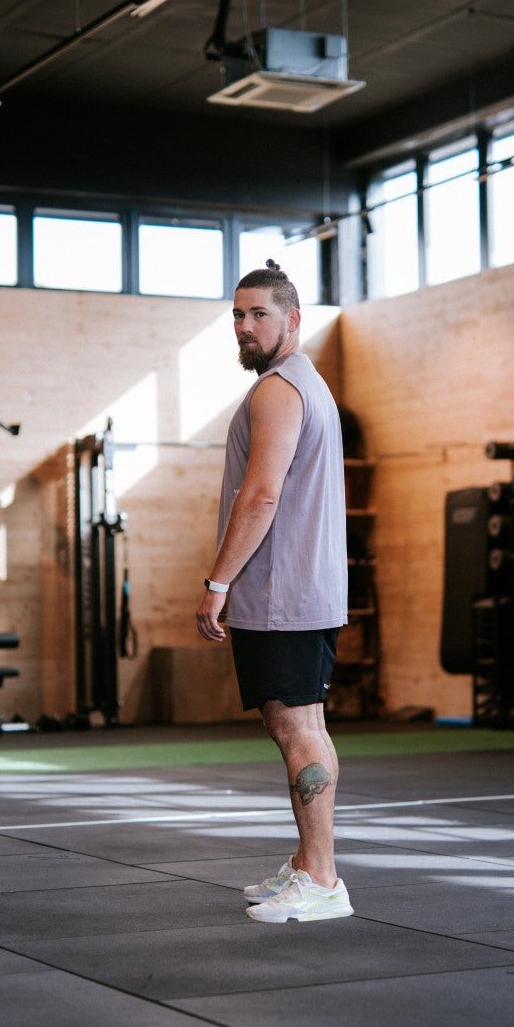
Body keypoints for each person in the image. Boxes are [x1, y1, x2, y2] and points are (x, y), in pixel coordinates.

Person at [196, 259, 352, 924]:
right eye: (237, 314)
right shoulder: (304, 385)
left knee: (297, 726)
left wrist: (216, 582)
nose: (244, 326)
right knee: (289, 722)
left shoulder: (277, 390)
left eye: (259, 314)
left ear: (293, 319)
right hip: (289, 589)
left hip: (282, 590)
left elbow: (260, 497)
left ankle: (321, 877)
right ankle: (306, 863)